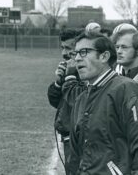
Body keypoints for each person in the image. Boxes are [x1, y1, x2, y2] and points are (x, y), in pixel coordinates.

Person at [62, 33, 138, 174]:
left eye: (84, 52)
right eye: (75, 53)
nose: (76, 58)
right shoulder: (82, 98)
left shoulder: (127, 91)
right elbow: (76, 156)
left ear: (104, 57)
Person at [47, 28, 82, 175]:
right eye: (62, 47)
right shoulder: (70, 68)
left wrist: (71, 77)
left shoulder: (87, 72)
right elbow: (57, 102)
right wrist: (58, 82)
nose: (63, 53)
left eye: (68, 48)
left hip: (81, 140)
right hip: (68, 138)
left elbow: (79, 103)